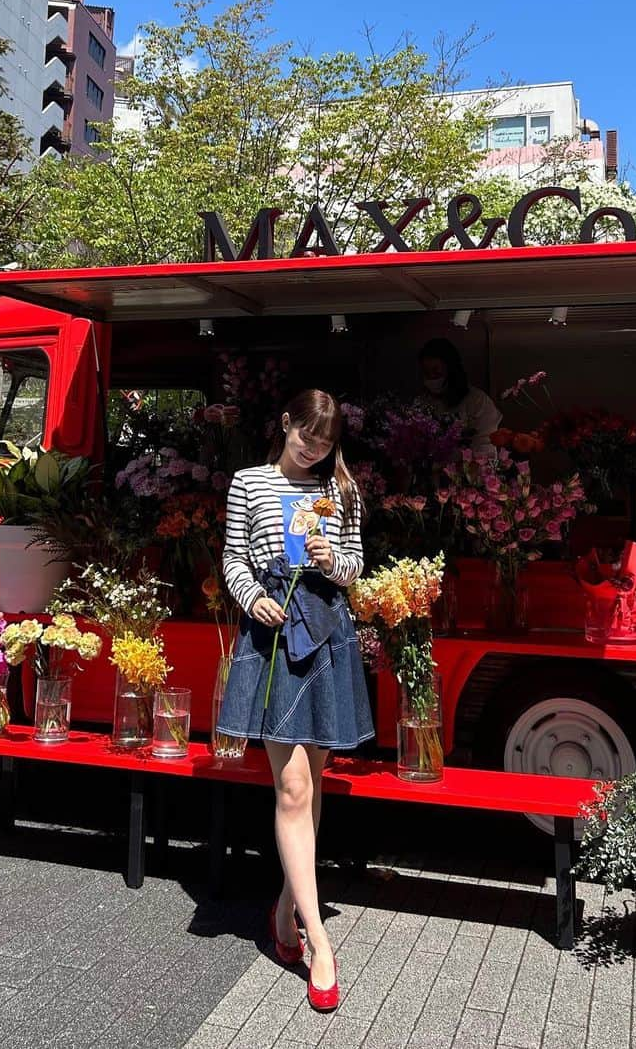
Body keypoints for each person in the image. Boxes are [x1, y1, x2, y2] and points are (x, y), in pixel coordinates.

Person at [215, 389, 373, 1013]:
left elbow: (357, 569)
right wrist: (250, 595)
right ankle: (322, 942)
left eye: (326, 443)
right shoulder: (248, 483)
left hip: (329, 630)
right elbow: (231, 557)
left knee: (318, 782)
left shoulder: (343, 493)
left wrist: (334, 556)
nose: (313, 450)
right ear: (285, 424)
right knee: (293, 789)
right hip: (274, 631)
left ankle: (285, 911)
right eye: (306, 437)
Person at [418, 336, 503, 454]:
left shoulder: (477, 401)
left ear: (451, 369)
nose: (432, 377)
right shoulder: (423, 402)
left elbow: (485, 446)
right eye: (427, 373)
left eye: (436, 371)